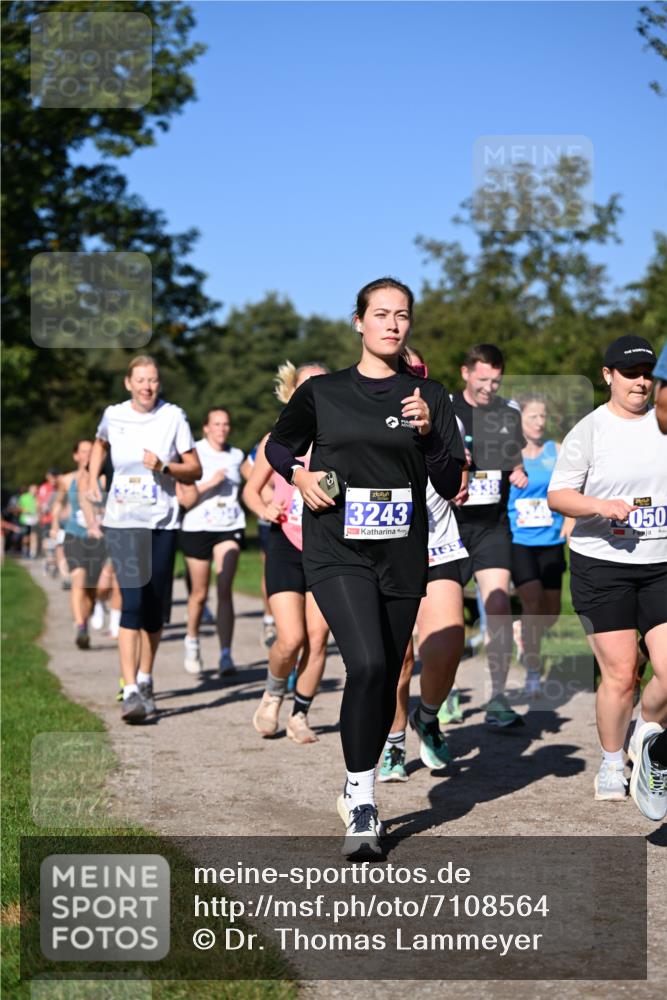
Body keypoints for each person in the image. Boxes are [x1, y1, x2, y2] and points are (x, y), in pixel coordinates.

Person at [266, 278, 465, 857]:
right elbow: (280, 446)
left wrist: (428, 433)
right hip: (337, 548)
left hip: (402, 553)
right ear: (359, 322)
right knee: (372, 663)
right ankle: (360, 797)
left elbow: (451, 482)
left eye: (402, 315)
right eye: (381, 314)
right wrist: (299, 476)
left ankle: (361, 782)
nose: (393, 324)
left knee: (386, 672)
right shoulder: (323, 392)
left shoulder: (430, 398)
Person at [547, 335, 667, 816]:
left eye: (646, 373)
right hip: (604, 565)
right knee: (621, 675)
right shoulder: (590, 430)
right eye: (628, 372)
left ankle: (647, 735)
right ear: (608, 375)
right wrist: (598, 506)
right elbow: (559, 495)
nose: (639, 381)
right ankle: (613, 762)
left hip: (661, 563)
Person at [87, 355, 201, 723]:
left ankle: (147, 678)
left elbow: (194, 468)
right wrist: (91, 480)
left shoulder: (174, 417)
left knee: (153, 608)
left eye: (152, 380)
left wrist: (164, 467)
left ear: (159, 384)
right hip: (123, 522)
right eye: (140, 380)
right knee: (132, 601)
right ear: (128, 383)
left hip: (162, 521)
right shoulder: (114, 415)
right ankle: (131, 687)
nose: (147, 387)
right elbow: (99, 445)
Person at [379, 347, 470, 781]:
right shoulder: (369, 416)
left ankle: (428, 717)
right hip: (387, 549)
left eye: (416, 372)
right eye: (401, 371)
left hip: (439, 546)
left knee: (448, 645)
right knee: (399, 659)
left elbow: (458, 470)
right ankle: (395, 741)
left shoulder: (445, 412)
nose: (409, 380)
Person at [243, 362, 330, 745]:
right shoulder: (276, 439)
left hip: (327, 546)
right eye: (307, 387)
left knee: (318, 636)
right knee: (290, 638)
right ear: (293, 392)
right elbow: (251, 489)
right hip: (285, 544)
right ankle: (272, 693)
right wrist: (265, 510)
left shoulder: (339, 440)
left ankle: (300, 715)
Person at [450, 344, 528, 727]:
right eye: (482, 380)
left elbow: (515, 457)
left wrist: (518, 470)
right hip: (450, 527)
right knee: (444, 618)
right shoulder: (446, 409)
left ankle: (497, 698)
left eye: (495, 381)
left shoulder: (507, 412)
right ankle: (443, 692)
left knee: (498, 610)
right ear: (466, 373)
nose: (488, 388)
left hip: (493, 527)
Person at [507, 394, 569, 696]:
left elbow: (574, 487)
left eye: (543, 416)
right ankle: (533, 672)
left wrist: (569, 522)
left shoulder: (556, 451)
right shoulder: (510, 453)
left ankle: (522, 632)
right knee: (531, 602)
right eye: (533, 416)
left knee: (551, 611)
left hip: (552, 539)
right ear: (519, 421)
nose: (539, 422)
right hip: (519, 540)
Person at [177, 407, 246, 677]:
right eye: (216, 424)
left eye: (225, 424)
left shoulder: (237, 455)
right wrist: (210, 483)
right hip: (197, 528)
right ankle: (192, 641)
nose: (221, 429)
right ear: (205, 427)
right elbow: (186, 500)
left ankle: (226, 654)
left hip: (228, 527)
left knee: (225, 587)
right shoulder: (193, 453)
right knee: (200, 592)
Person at [50, 441, 108, 648]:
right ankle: (81, 626)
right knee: (79, 580)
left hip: (98, 539)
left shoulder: (103, 478)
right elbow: (58, 503)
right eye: (84, 452)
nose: (88, 455)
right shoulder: (67, 480)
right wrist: (56, 523)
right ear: (76, 456)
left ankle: (88, 614)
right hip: (75, 535)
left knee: (93, 590)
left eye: (92, 452)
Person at [241, 443, 277, 648]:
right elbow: (246, 468)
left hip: (305, 520)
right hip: (273, 517)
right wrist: (263, 488)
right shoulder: (272, 439)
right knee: (271, 570)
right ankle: (269, 619)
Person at [17, 485, 39, 559]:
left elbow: (39, 508)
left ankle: (33, 553)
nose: (35, 491)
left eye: (36, 489)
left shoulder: (38, 497)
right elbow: (19, 507)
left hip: (34, 519)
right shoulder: (23, 497)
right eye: (34, 489)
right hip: (25, 520)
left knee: (34, 536)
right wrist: (25, 510)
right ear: (30, 489)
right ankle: (25, 551)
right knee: (26, 537)